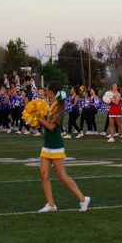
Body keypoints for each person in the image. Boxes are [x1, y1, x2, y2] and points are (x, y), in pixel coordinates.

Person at [36, 82, 90, 213]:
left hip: (56, 145)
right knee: (43, 174)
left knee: (62, 175)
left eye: (47, 90)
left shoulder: (59, 107)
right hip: (47, 144)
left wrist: (38, 117)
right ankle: (51, 204)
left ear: (50, 92)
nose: (45, 92)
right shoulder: (52, 105)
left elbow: (51, 126)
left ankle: (83, 199)